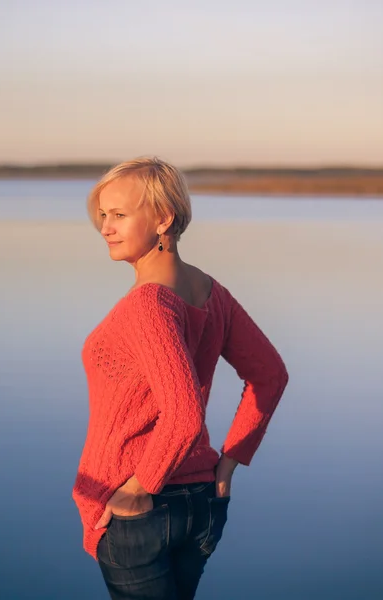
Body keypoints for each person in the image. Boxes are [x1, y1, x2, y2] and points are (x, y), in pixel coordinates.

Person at [71, 157, 289, 600]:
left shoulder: (147, 304)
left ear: (164, 218)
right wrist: (228, 461)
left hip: (143, 508)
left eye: (119, 215)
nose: (105, 227)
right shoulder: (211, 292)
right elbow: (270, 376)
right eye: (103, 215)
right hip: (202, 501)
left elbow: (184, 414)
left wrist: (139, 489)